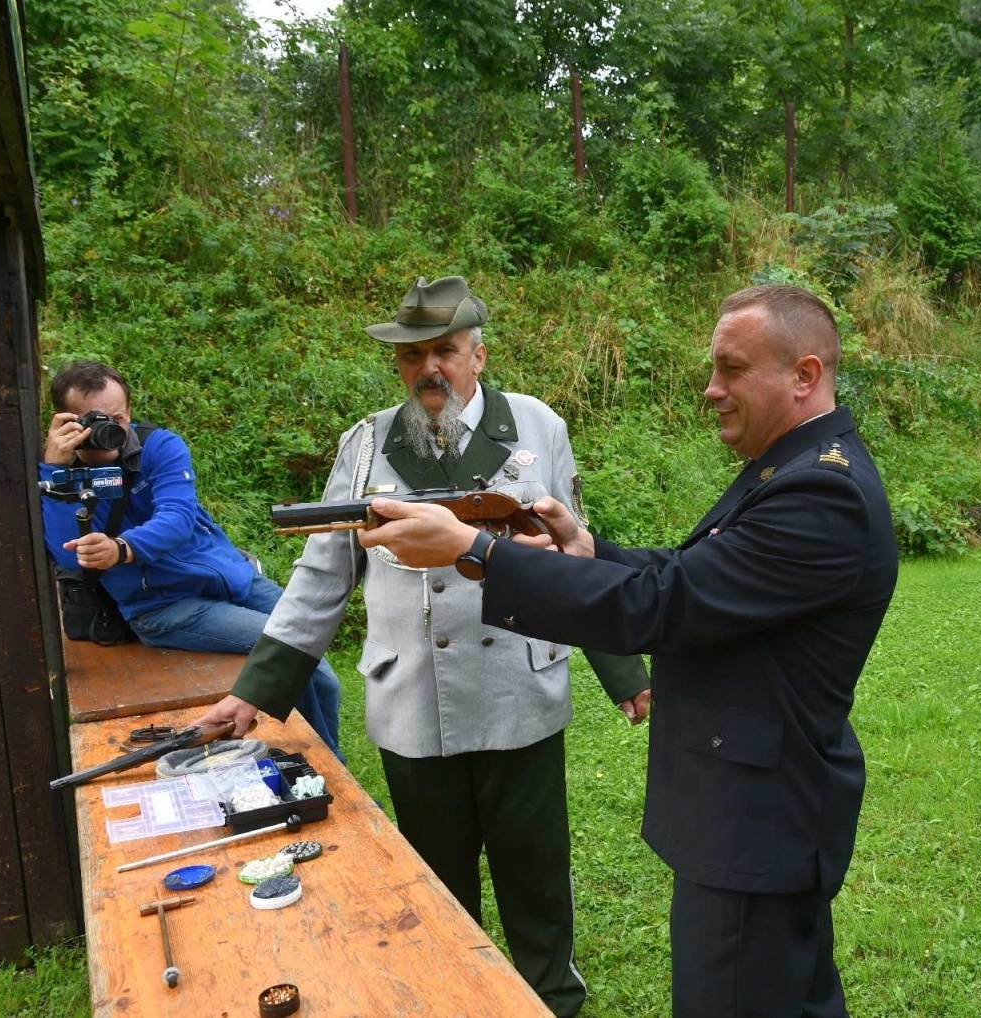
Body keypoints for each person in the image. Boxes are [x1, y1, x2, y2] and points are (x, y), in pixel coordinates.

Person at [357, 283, 899, 1018]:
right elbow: (693, 579)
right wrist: (588, 549)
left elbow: (662, 605)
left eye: (732, 369)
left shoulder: (820, 494)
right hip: (754, 813)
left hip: (758, 823)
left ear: (804, 375)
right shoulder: (796, 470)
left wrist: (476, 550)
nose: (711, 389)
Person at [194, 276, 650, 1018]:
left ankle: (552, 1002)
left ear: (478, 355)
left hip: (519, 690)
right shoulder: (366, 444)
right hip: (414, 697)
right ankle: (455, 998)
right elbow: (322, 578)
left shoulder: (538, 425)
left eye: (445, 351)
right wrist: (253, 691)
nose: (428, 369)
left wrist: (622, 667)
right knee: (437, 885)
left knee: (536, 874)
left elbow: (575, 551)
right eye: (412, 356)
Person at [39, 360, 342, 757]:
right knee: (288, 653)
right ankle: (322, 765)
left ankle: (328, 762)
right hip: (164, 607)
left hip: (231, 579)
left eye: (118, 418)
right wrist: (54, 471)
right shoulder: (60, 474)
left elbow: (178, 518)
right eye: (94, 420)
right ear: (65, 421)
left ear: (129, 411)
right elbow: (68, 555)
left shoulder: (158, 447)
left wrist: (122, 549)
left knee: (320, 671)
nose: (108, 429)